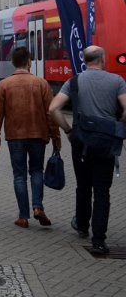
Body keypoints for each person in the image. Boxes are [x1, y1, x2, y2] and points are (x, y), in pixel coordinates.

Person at [48, 45, 126, 255]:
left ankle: (82, 225)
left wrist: (68, 131)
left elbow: (53, 108)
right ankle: (99, 240)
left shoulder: (73, 81)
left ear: (84, 61)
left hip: (81, 142)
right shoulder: (117, 81)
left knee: (83, 186)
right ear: (103, 58)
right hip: (106, 143)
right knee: (102, 191)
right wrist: (118, 125)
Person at [0, 47, 60, 229]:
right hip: (38, 135)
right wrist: (56, 138)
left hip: (15, 137)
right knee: (37, 171)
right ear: (29, 61)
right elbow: (51, 113)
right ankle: (38, 207)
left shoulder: (4, 85)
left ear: (13, 62)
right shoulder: (42, 84)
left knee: (19, 175)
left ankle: (23, 216)